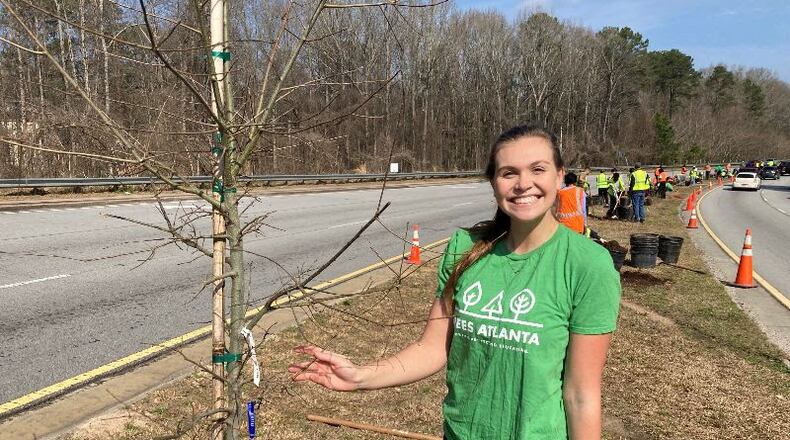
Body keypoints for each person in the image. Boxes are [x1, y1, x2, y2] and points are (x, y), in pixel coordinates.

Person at [289, 124, 621, 440]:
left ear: (560, 176)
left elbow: (581, 393)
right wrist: (361, 376)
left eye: (538, 169)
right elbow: (433, 348)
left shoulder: (587, 265)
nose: (523, 184)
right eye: (509, 173)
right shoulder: (465, 248)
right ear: (493, 183)